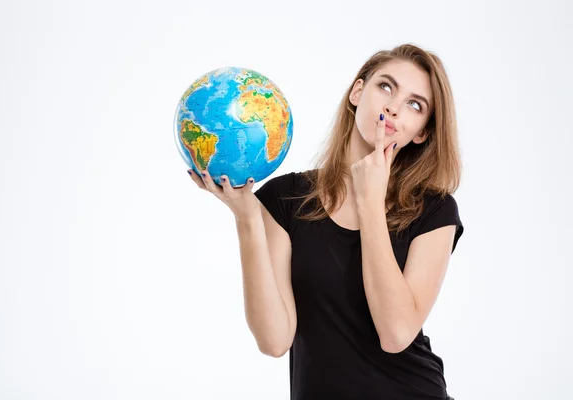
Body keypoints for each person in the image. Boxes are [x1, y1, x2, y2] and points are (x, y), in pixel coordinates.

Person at [187, 43, 464, 400]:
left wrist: (369, 202)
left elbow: (396, 334)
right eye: (385, 87)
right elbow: (274, 340)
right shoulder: (285, 199)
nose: (394, 107)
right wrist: (247, 219)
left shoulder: (435, 210)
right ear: (357, 92)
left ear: (422, 132)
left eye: (415, 105)